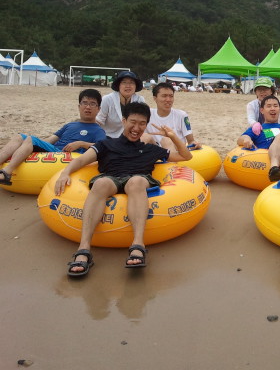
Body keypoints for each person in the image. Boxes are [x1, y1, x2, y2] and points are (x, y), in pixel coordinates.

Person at [55, 102, 192, 277]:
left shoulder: (150, 149)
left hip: (138, 179)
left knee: (136, 182)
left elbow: (186, 156)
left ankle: (138, 245)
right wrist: (65, 173)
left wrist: (172, 136)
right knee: (100, 184)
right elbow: (81, 160)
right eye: (133, 122)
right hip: (111, 178)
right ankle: (83, 249)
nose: (136, 128)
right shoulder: (105, 144)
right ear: (124, 120)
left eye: (142, 124)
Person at [0, 89, 106, 185]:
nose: (88, 107)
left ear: (98, 109)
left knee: (30, 139)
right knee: (20, 137)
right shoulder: (69, 125)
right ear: (79, 106)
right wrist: (28, 144)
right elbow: (50, 140)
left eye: (92, 104)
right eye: (84, 103)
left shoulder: (98, 130)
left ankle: (7, 172)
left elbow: (102, 147)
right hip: (53, 150)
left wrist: (81, 143)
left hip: (66, 156)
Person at [237, 95, 280, 182]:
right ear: (262, 110)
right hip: (269, 152)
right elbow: (242, 138)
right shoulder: (258, 128)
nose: (272, 109)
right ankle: (274, 169)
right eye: (269, 106)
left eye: (275, 106)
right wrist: (246, 139)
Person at [143, 82, 201, 150]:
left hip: (176, 151)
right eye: (164, 96)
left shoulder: (181, 115)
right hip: (156, 151)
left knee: (167, 141)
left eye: (171, 96)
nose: (168, 100)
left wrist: (195, 144)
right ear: (155, 98)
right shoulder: (147, 114)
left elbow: (190, 141)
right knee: (145, 137)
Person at [97, 70, 146, 137]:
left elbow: (142, 122)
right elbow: (99, 121)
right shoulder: (107, 99)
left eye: (131, 83)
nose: (128, 86)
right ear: (118, 85)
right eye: (124, 82)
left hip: (131, 137)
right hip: (109, 137)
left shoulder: (139, 100)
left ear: (135, 86)